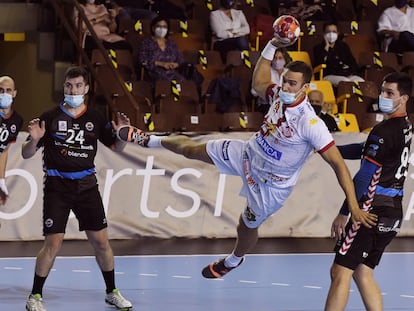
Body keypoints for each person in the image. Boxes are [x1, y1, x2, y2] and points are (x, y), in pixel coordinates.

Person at [115, 38, 377, 279]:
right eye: (285, 80)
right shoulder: (277, 95)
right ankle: (148, 139)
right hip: (248, 154)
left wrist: (352, 208)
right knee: (193, 149)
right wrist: (272, 45)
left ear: (305, 88)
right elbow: (258, 83)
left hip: (271, 185)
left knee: (246, 225)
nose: (285, 86)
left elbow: (339, 166)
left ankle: (233, 259)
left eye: (292, 84)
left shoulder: (311, 124)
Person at [23, 66, 133, 311]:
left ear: (86, 89)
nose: (73, 90)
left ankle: (111, 291)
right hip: (58, 187)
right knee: (52, 244)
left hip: (86, 186)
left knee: (102, 243)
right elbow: (26, 153)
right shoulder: (49, 118)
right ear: (64, 87)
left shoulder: (95, 118)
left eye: (78, 86)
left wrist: (123, 136)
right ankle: (35, 296)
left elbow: (116, 148)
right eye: (69, 86)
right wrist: (35, 139)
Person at [324, 72, 412, 311]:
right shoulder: (404, 127)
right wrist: (326, 149)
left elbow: (364, 176)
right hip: (392, 212)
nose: (382, 96)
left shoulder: (383, 132)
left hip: (371, 211)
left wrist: (346, 211)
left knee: (340, 271)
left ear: (403, 98)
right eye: (382, 91)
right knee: (362, 272)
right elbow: (362, 149)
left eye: (389, 93)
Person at [313, 21, 364, 87]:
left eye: (334, 31)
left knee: (361, 82)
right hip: (328, 76)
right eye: (328, 32)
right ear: (324, 34)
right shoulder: (318, 48)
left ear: (337, 33)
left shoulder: (343, 46)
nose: (331, 34)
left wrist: (351, 73)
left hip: (347, 75)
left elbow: (352, 62)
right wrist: (326, 48)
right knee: (346, 82)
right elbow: (319, 64)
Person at [138, 16, 185, 87]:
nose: (162, 29)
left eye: (164, 27)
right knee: (165, 81)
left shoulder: (171, 43)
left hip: (172, 73)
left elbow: (180, 60)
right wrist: (161, 64)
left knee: (183, 82)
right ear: (153, 28)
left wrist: (175, 64)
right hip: (154, 73)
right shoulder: (146, 43)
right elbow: (142, 60)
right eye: (159, 26)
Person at [0, 76, 23, 205]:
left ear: (14, 94)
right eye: (1, 90)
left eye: (8, 90)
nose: (4, 93)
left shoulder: (17, 120)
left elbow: (4, 151)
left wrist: (1, 180)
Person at [252, 47, 292, 114]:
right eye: (275, 58)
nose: (277, 61)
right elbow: (254, 91)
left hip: (285, 105)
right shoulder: (265, 71)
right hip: (266, 105)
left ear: (285, 59)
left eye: (280, 58)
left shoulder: (289, 73)